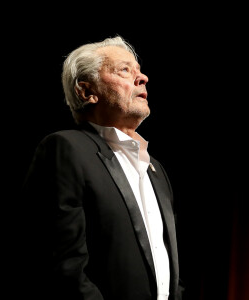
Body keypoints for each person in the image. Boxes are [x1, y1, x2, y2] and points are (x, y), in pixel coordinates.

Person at [22, 36, 184, 300]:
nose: (142, 78)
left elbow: (168, 267)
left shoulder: (156, 169)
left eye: (139, 70)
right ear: (87, 92)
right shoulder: (66, 149)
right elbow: (62, 266)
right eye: (124, 70)